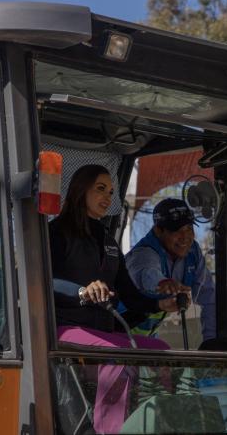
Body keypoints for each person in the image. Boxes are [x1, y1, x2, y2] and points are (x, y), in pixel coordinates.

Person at [49, 164, 184, 434]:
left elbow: (131, 295)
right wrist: (81, 291)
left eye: (110, 192)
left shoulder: (108, 241)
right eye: (100, 189)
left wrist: (160, 304)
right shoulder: (56, 233)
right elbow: (44, 282)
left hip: (103, 334)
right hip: (65, 331)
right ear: (80, 190)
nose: (107, 197)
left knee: (161, 350)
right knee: (116, 356)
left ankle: (163, 426)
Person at [125, 198, 217, 343]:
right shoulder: (144, 253)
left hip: (146, 337)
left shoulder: (193, 252)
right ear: (158, 230)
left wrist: (211, 341)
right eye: (176, 230)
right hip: (116, 334)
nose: (185, 237)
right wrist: (163, 283)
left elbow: (209, 297)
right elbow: (147, 273)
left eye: (189, 228)